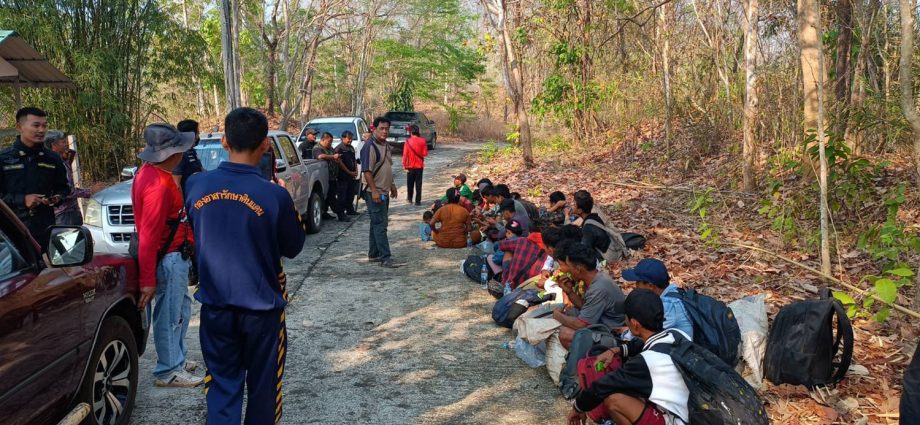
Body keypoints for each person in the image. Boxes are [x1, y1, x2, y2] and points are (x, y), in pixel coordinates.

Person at [186, 107, 305, 425]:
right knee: (264, 391)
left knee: (222, 389)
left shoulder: (196, 187)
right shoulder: (273, 196)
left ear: (224, 141)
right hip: (262, 311)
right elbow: (293, 247)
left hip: (216, 308)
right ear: (265, 144)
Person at [131, 123, 202, 387]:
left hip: (175, 253)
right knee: (170, 313)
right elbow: (148, 236)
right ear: (173, 154)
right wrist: (147, 279)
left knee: (180, 308)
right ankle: (168, 370)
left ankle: (177, 358)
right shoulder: (157, 185)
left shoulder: (149, 173)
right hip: (169, 256)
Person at [568, 289, 691, 425]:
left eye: (625, 317)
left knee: (614, 400)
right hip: (695, 410)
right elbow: (641, 344)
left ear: (635, 323)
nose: (624, 321)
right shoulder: (677, 334)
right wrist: (616, 350)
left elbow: (604, 386)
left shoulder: (646, 362)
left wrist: (577, 407)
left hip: (679, 420)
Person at [0, 107, 69, 249]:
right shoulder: (4, 159)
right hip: (11, 233)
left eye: (44, 126)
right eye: (36, 125)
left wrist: (57, 197)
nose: (41, 130)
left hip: (45, 230)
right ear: (20, 127)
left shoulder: (53, 158)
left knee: (48, 270)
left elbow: (63, 187)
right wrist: (22, 200)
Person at [552, 241, 627, 349]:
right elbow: (586, 306)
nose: (566, 269)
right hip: (602, 323)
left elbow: (581, 325)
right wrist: (570, 292)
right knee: (569, 312)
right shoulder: (598, 277)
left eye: (568, 266)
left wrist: (558, 316)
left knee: (564, 334)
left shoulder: (598, 289)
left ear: (578, 269)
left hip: (612, 333)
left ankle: (583, 362)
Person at [621, 258, 694, 339]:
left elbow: (647, 335)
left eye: (638, 282)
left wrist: (626, 334)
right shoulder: (675, 292)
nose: (636, 286)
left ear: (650, 286)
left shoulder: (667, 305)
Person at [361, 117, 399, 268]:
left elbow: (387, 166)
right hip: (374, 192)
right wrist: (374, 190)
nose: (384, 131)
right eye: (381, 128)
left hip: (384, 190)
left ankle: (373, 254)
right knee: (380, 224)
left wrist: (393, 185)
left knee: (376, 223)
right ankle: (385, 257)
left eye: (386, 129)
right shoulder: (370, 146)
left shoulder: (386, 146)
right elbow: (366, 171)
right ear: (374, 129)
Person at [44, 131, 93, 225]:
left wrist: (67, 157)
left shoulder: (50, 161)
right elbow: (67, 191)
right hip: (66, 213)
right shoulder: (58, 165)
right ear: (53, 145)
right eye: (63, 142)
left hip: (61, 214)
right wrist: (90, 191)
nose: (66, 144)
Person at [495, 220, 547, 289]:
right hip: (531, 288)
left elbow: (501, 245)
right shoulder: (548, 250)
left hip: (512, 286)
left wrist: (512, 238)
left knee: (508, 251)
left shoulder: (521, 241)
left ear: (529, 233)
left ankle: (504, 283)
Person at [313, 132, 349, 222]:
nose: (330, 143)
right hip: (324, 178)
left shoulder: (330, 148)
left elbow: (335, 157)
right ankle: (341, 214)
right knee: (332, 198)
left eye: (331, 142)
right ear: (323, 140)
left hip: (332, 177)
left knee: (330, 196)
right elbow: (320, 156)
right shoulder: (317, 148)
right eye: (329, 141)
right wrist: (333, 156)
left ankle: (324, 213)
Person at [570, 190, 610, 263]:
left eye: (574, 204)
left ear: (580, 210)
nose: (572, 205)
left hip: (603, 258)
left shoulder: (588, 228)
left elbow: (584, 250)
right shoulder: (595, 217)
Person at [172, 119, 204, 193]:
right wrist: (182, 204)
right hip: (187, 200)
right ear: (191, 135)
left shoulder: (192, 151)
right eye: (197, 134)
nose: (198, 137)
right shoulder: (180, 154)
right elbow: (176, 183)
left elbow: (201, 170)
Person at [335, 131, 360, 215]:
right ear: (343, 138)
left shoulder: (351, 148)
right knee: (342, 196)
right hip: (343, 176)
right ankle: (341, 214)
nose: (350, 140)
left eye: (351, 139)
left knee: (351, 194)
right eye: (348, 139)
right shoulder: (339, 149)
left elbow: (354, 160)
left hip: (351, 176)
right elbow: (340, 163)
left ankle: (350, 210)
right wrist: (349, 172)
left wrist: (356, 170)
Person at [402, 124, 428, 206]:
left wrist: (404, 165)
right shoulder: (423, 141)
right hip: (419, 166)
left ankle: (409, 199)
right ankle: (418, 201)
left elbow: (405, 154)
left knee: (410, 183)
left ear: (411, 132)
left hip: (410, 166)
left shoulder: (407, 141)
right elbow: (425, 153)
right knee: (418, 184)